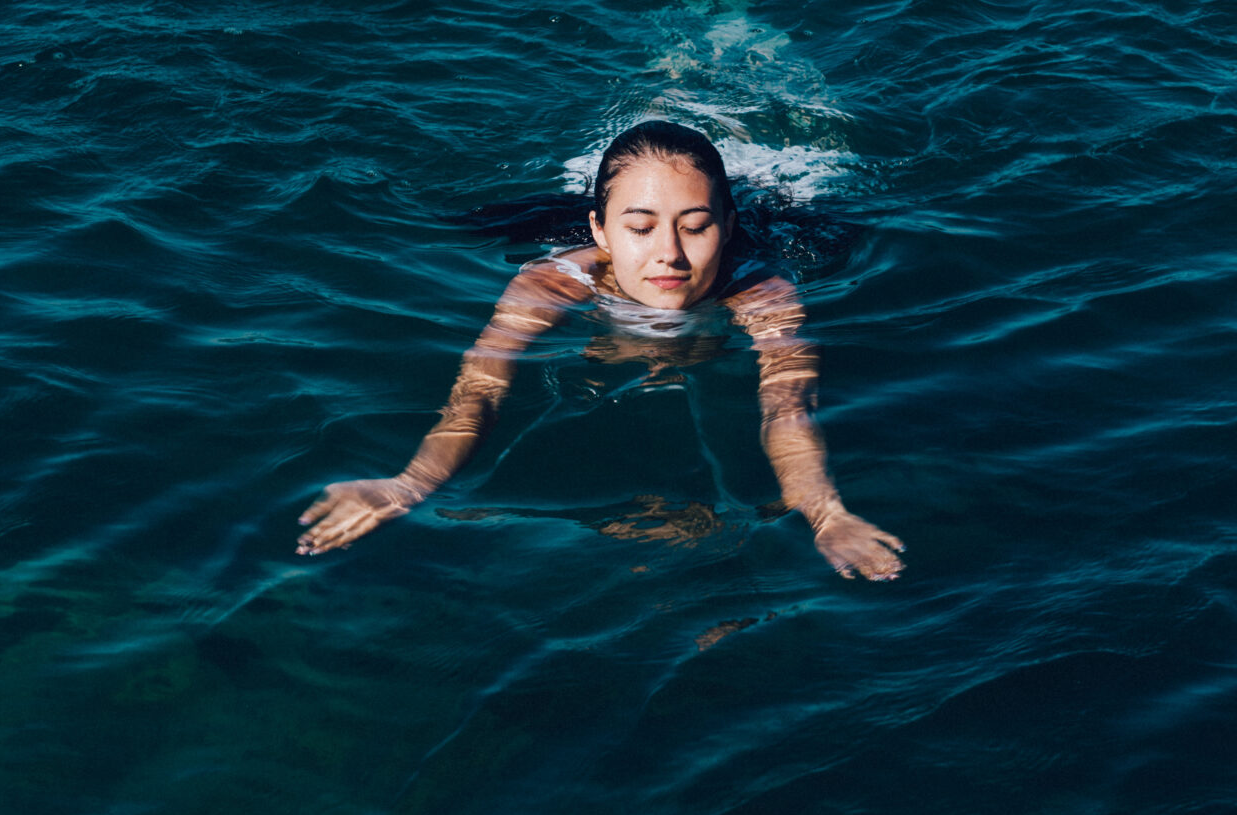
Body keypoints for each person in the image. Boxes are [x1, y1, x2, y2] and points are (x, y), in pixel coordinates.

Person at [297, 120, 905, 580]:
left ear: (727, 224)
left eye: (696, 226)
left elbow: (787, 408)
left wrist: (829, 515)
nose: (668, 252)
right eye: (639, 228)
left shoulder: (763, 292)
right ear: (599, 230)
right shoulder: (554, 281)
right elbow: (478, 394)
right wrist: (407, 486)